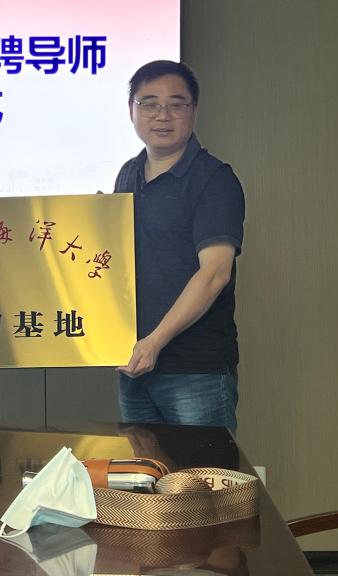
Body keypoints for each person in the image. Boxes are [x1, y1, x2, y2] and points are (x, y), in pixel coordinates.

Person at [113, 60, 245, 432]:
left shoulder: (213, 179)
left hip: (194, 369)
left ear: (194, 110)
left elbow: (215, 274)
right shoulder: (128, 173)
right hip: (134, 363)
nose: (162, 115)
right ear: (131, 110)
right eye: (149, 104)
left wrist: (155, 342)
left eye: (176, 104)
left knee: (202, 471)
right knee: (142, 469)